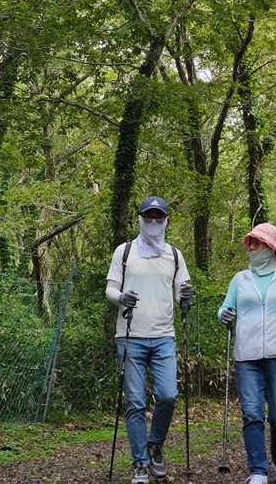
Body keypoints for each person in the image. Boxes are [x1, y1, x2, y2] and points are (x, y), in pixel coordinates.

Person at [106, 195, 193, 484]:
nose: (153, 222)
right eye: (148, 216)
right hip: (130, 336)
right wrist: (122, 298)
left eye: (158, 217)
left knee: (168, 395)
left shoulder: (175, 255)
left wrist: (186, 298)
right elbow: (110, 289)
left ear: (166, 220)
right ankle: (140, 464)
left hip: (164, 337)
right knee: (135, 402)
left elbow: (182, 290)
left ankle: (155, 444)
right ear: (140, 218)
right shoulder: (125, 251)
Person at [218, 222, 276, 484]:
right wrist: (224, 315)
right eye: (250, 243)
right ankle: (258, 470)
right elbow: (225, 309)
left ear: (271, 247)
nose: (251, 248)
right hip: (246, 357)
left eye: (256, 243)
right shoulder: (240, 279)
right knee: (251, 414)